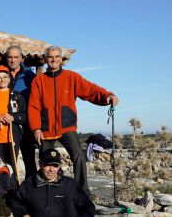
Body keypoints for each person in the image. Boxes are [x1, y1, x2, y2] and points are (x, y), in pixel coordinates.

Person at [29, 46, 119, 193]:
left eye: (57, 56)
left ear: (61, 59)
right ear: (46, 59)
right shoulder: (38, 80)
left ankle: (82, 193)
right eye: (51, 57)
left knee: (79, 157)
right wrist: (36, 128)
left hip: (67, 127)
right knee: (46, 163)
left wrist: (107, 96)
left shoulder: (71, 77)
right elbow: (33, 106)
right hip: (45, 129)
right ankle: (47, 193)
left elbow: (91, 90)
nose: (54, 59)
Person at [6, 45, 37, 178]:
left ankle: (32, 192)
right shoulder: (2, 75)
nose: (12, 60)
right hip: (9, 124)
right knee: (9, 161)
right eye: (10, 57)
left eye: (15, 57)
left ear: (21, 58)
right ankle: (11, 191)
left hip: (26, 124)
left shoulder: (30, 76)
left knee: (29, 160)